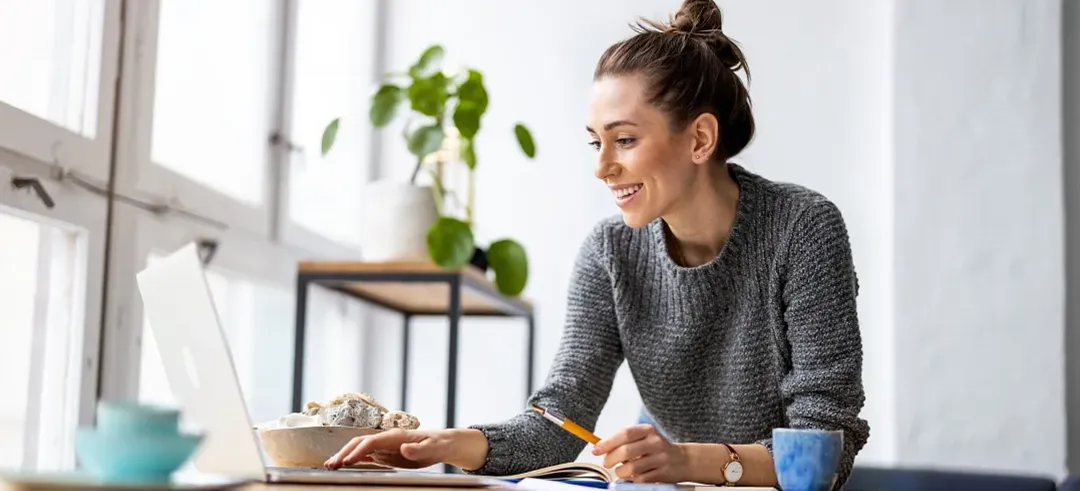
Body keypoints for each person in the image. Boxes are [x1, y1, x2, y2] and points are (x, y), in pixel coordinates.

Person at [324, 0, 870, 488]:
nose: (602, 167)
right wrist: (447, 446)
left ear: (700, 138)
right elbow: (561, 422)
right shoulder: (610, 253)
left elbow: (824, 450)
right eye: (596, 142)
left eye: (624, 140)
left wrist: (684, 461)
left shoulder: (802, 228)